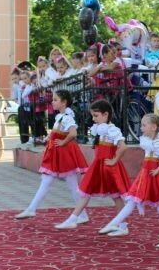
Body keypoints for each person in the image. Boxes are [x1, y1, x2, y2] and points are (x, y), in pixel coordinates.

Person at [98, 113, 159, 248]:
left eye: (144, 125)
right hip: (145, 175)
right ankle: (113, 223)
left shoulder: (157, 143)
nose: (141, 127)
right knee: (132, 201)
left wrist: (158, 169)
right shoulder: (149, 142)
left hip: (154, 177)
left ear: (154, 127)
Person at [55, 99, 130, 231]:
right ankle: (72, 219)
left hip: (108, 167)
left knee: (116, 197)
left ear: (105, 115)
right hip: (98, 165)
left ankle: (123, 226)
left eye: (96, 116)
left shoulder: (112, 130)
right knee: (86, 191)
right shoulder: (101, 130)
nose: (93, 119)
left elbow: (123, 147)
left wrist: (114, 160)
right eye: (93, 116)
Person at [15, 90, 89, 220]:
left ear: (64, 102)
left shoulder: (67, 116)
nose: (52, 102)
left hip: (63, 154)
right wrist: (49, 138)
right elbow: (59, 132)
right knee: (59, 183)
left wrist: (63, 142)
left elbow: (73, 133)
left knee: (63, 183)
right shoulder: (61, 116)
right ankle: (82, 214)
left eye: (55, 100)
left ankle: (32, 209)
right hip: (58, 153)